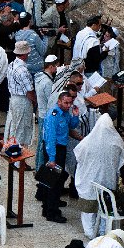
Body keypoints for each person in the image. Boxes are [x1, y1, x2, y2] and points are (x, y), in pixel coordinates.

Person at [73, 113, 124, 237]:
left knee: (88, 209)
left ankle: (90, 232)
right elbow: (122, 159)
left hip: (89, 179)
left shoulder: (88, 141)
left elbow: (78, 155)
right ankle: (103, 231)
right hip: (107, 179)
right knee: (105, 205)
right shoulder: (116, 140)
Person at [42, 91, 80, 223]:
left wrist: (75, 116)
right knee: (54, 181)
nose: (68, 105)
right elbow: (50, 138)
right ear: (59, 101)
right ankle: (52, 212)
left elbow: (71, 125)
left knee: (55, 179)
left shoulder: (65, 113)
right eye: (66, 102)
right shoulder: (54, 115)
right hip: (54, 149)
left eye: (70, 103)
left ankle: (48, 206)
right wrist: (52, 158)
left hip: (61, 148)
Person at [6, 41, 37, 148]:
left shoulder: (12, 64)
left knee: (15, 127)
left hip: (14, 99)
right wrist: (35, 102)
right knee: (22, 129)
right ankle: (19, 161)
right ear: (24, 54)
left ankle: (16, 158)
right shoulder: (22, 70)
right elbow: (29, 91)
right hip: (22, 100)